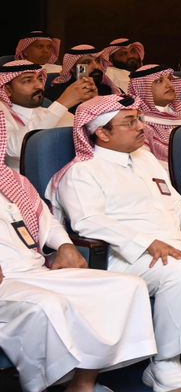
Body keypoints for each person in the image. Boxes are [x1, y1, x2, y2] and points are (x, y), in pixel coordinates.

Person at [52, 95, 181, 391]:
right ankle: (165, 361)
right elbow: (88, 222)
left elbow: (173, 199)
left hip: (173, 245)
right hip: (125, 257)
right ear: (102, 133)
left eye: (139, 119)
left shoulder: (146, 158)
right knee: (180, 273)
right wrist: (146, 242)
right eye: (130, 122)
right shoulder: (81, 172)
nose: (141, 127)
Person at [0, 110, 158, 392]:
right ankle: (40, 387)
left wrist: (65, 245)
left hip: (34, 271)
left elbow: (44, 220)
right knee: (46, 304)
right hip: (5, 281)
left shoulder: (12, 180)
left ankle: (83, 383)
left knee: (127, 286)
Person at [1, 61, 95, 171]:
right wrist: (63, 103)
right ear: (7, 90)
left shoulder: (56, 113)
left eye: (40, 79)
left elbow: (94, 140)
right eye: (28, 81)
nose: (39, 86)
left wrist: (93, 103)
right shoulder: (3, 115)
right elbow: (16, 149)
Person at [127, 66, 181, 164]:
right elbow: (145, 163)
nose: (170, 85)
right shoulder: (137, 123)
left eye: (170, 79)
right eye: (159, 81)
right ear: (142, 89)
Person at [45, 47, 118, 103]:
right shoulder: (55, 93)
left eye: (98, 61)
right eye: (87, 63)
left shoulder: (107, 90)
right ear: (73, 68)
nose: (96, 66)